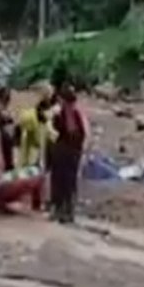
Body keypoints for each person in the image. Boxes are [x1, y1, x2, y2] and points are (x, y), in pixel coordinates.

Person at [47, 84, 89, 224]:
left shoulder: (62, 114)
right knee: (68, 183)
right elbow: (83, 135)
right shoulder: (74, 113)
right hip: (69, 153)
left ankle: (62, 211)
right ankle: (66, 211)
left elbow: (53, 134)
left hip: (63, 152)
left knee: (61, 182)